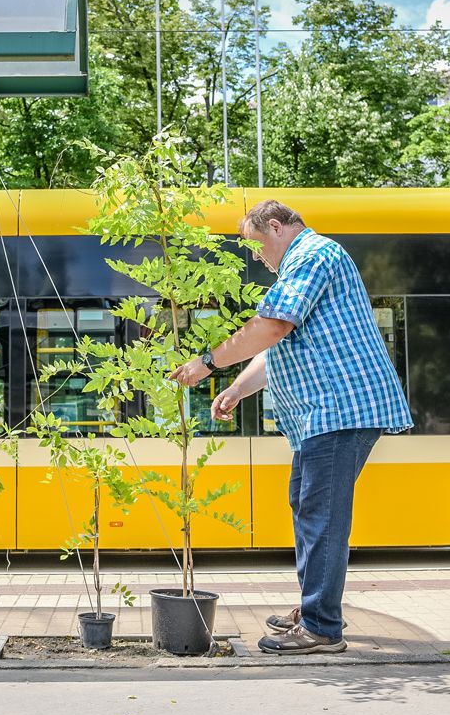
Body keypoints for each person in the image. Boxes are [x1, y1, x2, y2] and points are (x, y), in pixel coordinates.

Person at [169, 200, 412, 655]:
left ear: (277, 227)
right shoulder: (303, 264)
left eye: (256, 244)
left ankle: (322, 628)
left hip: (339, 410)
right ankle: (315, 608)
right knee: (307, 507)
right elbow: (278, 347)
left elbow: (273, 327)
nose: (257, 256)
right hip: (323, 415)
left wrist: (207, 363)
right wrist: (237, 389)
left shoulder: (312, 255)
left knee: (321, 517)